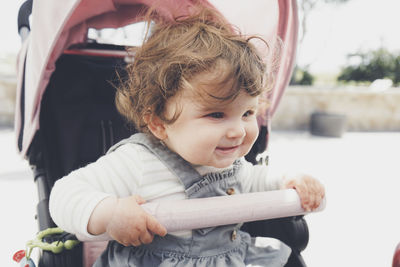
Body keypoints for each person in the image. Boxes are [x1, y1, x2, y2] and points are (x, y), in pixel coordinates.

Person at [49, 7, 325, 267]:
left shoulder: (229, 163)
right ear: (158, 123)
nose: (239, 131)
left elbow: (254, 180)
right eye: (216, 115)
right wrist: (109, 214)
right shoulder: (137, 163)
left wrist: (290, 182)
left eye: (248, 112)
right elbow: (64, 195)